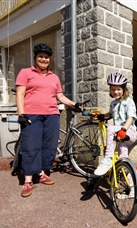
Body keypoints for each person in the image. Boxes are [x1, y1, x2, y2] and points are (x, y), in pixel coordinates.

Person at [16, 43, 81, 197]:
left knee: (49, 146)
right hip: (31, 115)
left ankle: (42, 174)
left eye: (46, 57)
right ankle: (27, 181)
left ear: (49, 60)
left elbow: (60, 96)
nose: (43, 59)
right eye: (41, 57)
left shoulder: (54, 77)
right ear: (35, 58)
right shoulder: (26, 73)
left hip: (52, 115)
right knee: (31, 146)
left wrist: (74, 104)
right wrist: (21, 114)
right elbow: (20, 94)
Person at [94, 72, 137, 177]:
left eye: (118, 89)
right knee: (123, 157)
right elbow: (111, 114)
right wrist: (102, 116)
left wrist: (123, 129)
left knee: (110, 129)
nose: (115, 92)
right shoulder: (113, 103)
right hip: (119, 135)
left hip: (129, 131)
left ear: (123, 89)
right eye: (113, 89)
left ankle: (108, 159)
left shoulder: (129, 101)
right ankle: (131, 185)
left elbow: (131, 117)